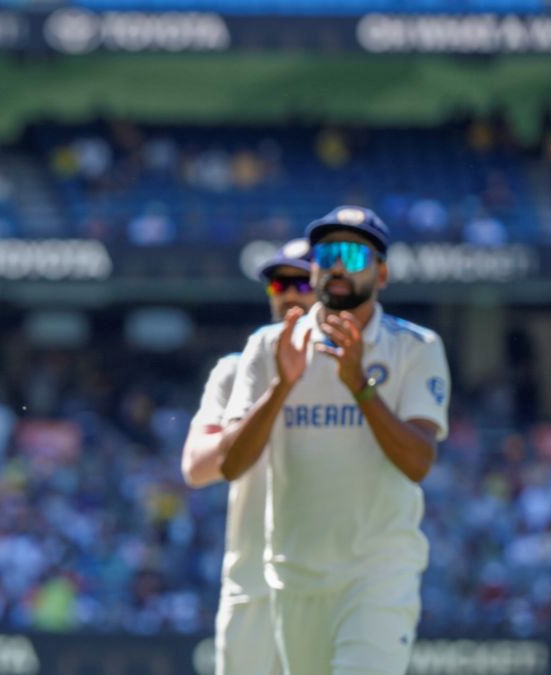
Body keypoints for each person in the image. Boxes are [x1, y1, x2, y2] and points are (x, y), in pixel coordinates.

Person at [219, 206, 450, 675]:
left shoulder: (416, 347)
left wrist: (359, 386)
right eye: (327, 255)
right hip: (294, 575)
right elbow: (231, 465)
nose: (339, 266)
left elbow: (418, 462)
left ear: (381, 273)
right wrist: (281, 386)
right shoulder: (270, 346)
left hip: (378, 573)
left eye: (354, 254)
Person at [181, 238, 315, 675]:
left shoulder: (353, 371)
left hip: (330, 584)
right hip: (253, 587)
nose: (290, 294)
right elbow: (196, 468)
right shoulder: (235, 370)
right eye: (279, 284)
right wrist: (265, 406)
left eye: (302, 283)